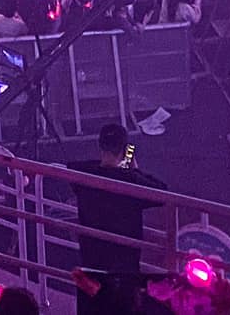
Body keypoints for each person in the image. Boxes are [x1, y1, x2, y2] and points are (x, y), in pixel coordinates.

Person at [69, 124, 166, 315]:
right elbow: (162, 193)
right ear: (124, 149)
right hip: (124, 273)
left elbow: (84, 166)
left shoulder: (81, 175)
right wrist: (134, 171)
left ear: (100, 146)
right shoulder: (131, 183)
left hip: (91, 267)